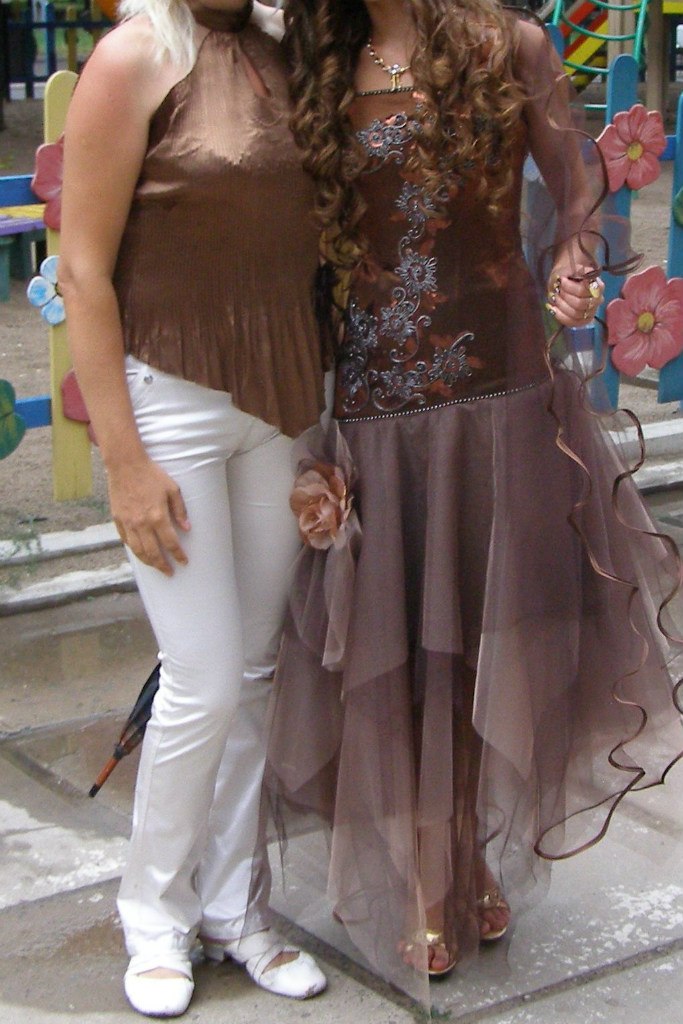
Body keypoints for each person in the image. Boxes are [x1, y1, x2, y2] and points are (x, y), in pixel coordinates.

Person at [261, 0, 683, 1007]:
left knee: (480, 641)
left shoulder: (511, 44)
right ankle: (426, 867)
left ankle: (462, 854)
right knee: (403, 645)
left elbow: (577, 187)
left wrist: (573, 263)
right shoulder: (316, 54)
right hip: (374, 405)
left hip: (497, 393)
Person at [58, 0, 329, 1016]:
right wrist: (123, 461)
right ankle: (153, 915)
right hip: (168, 401)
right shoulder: (133, 57)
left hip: (284, 399)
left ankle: (233, 909)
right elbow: (83, 269)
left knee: (255, 674)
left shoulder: (289, 46)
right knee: (203, 680)